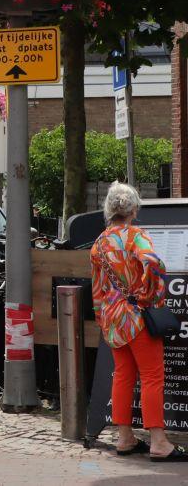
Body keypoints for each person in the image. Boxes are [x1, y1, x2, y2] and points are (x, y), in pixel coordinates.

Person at [90, 181, 184, 460]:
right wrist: (152, 292)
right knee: (153, 377)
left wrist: (101, 317)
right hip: (137, 317)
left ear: (109, 209)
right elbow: (153, 263)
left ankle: (125, 438)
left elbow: (97, 288)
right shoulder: (135, 236)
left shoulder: (99, 243)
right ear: (133, 209)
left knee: (122, 375)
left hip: (113, 319)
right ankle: (158, 441)